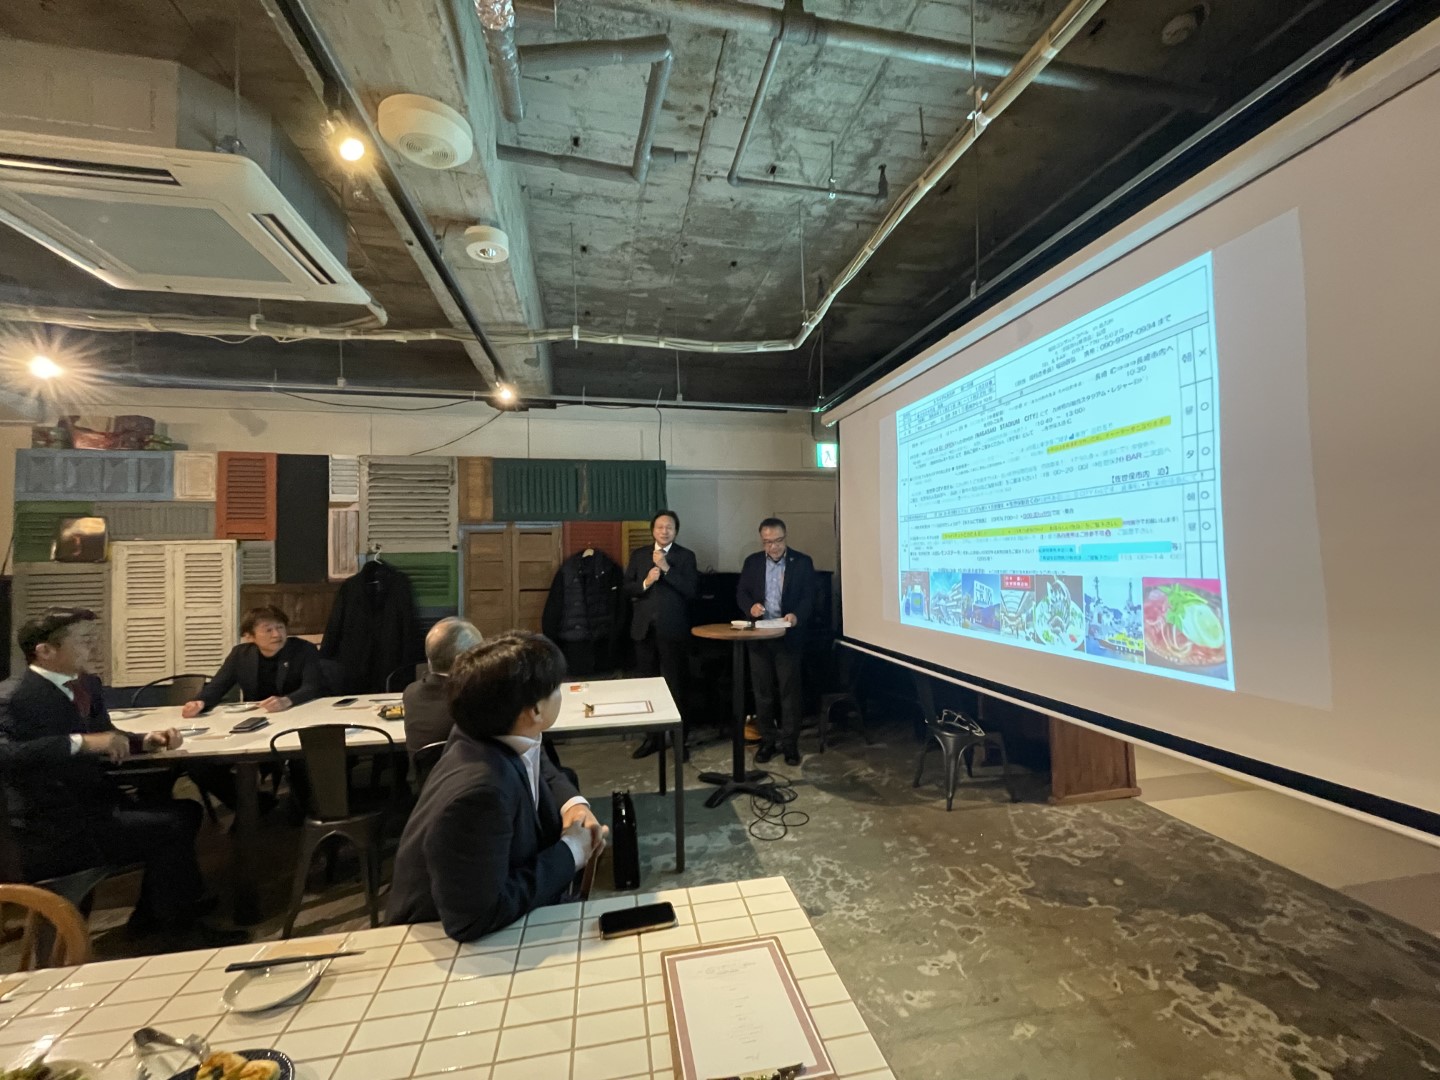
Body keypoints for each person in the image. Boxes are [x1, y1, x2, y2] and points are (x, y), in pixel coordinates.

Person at [0, 608, 246, 946]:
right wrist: (81, 742)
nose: (94, 647)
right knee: (173, 822)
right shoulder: (13, 696)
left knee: (183, 813)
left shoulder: (86, 684)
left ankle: (157, 912)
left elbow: (106, 735)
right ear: (45, 651)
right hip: (53, 824)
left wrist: (145, 741)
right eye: (83, 640)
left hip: (94, 803)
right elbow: (8, 755)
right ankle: (178, 928)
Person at [387, 633, 608, 941]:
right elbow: (475, 918)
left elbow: (539, 760)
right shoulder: (480, 794)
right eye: (556, 688)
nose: (561, 694)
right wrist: (572, 850)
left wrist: (574, 805)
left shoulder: (487, 730)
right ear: (534, 711)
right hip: (437, 937)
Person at [736, 518, 817, 767]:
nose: (773, 547)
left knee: (789, 693)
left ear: (785, 537)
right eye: (767, 542)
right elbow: (741, 592)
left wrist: (797, 616)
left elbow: (809, 596)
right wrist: (750, 607)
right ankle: (767, 741)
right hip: (760, 637)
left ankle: (790, 744)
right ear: (762, 541)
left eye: (778, 541)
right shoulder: (752, 562)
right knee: (763, 693)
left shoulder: (802, 562)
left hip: (787, 636)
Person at [623, 510, 698, 759]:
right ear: (653, 530)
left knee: (676, 686)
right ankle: (652, 739)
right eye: (660, 527)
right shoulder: (639, 554)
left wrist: (666, 569)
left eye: (669, 527)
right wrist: (645, 582)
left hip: (673, 631)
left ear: (676, 531)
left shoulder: (685, 556)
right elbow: (627, 588)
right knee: (648, 687)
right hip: (644, 631)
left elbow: (691, 591)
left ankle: (679, 741)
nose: (664, 531)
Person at [181, 606, 328, 717]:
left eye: (280, 627)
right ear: (249, 637)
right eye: (268, 630)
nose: (277, 634)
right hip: (258, 716)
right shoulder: (240, 654)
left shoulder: (303, 649)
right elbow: (217, 687)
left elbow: (313, 686)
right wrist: (199, 703)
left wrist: (287, 700)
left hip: (298, 712)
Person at [403, 617, 485, 753]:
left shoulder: (410, 692)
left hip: (423, 768)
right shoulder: (475, 701)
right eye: (478, 655)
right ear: (462, 661)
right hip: (465, 766)